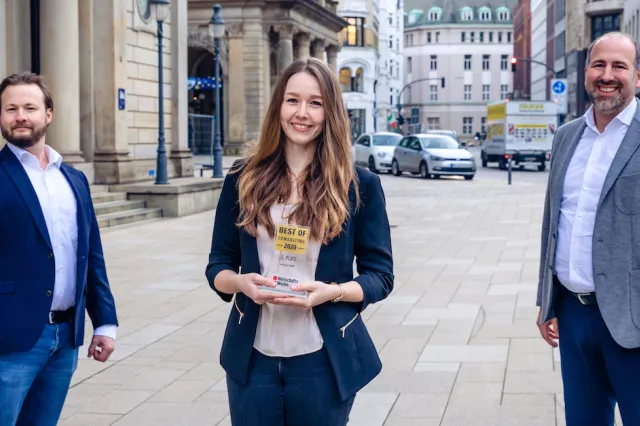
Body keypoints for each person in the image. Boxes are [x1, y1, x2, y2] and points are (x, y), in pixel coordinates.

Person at [205, 57, 393, 425]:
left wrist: (332, 292)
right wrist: (242, 283)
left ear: (330, 113)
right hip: (252, 357)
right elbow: (217, 264)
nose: (301, 113)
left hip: (323, 357)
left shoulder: (359, 186)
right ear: (278, 106)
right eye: (293, 100)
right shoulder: (243, 178)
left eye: (315, 103)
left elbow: (380, 276)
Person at [0, 72, 118, 426]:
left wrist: (105, 322)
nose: (20, 116)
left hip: (65, 339)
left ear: (48, 114)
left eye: (30, 107)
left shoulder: (74, 179)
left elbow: (91, 255)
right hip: (9, 342)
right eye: (11, 108)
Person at [536, 32, 640, 425]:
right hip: (573, 315)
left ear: (637, 76)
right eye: (599, 65)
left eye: (619, 66)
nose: (608, 75)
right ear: (586, 73)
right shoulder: (566, 137)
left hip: (633, 320)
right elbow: (554, 223)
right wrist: (546, 299)